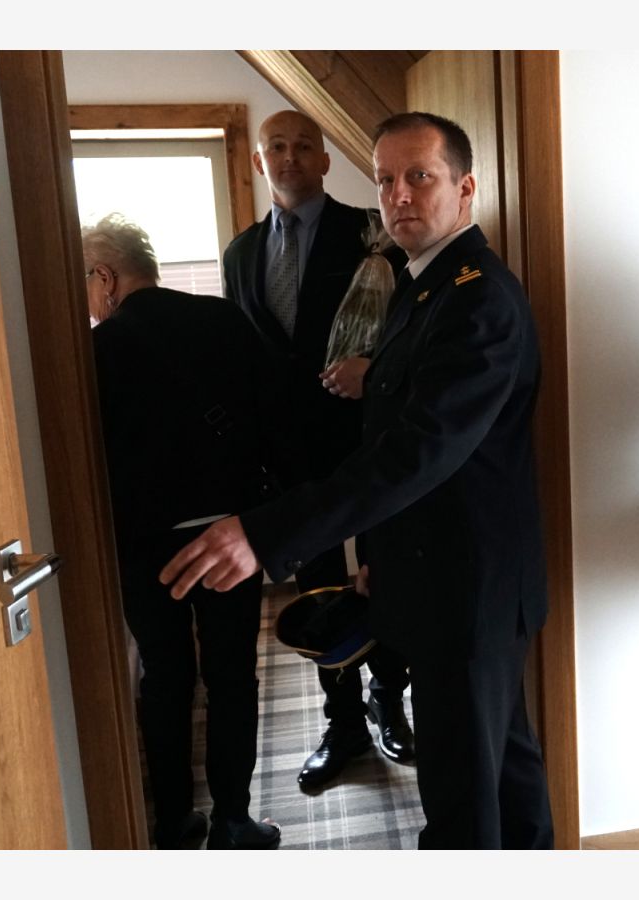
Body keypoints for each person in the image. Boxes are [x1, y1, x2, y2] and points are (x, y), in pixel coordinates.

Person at [160, 111, 554, 850]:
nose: (399, 195)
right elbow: (390, 434)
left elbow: (416, 454)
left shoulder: (478, 300)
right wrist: (379, 555)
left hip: (469, 585)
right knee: (503, 772)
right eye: (385, 179)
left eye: (420, 177)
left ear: (466, 188)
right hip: (434, 570)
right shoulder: (423, 283)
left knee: (465, 794)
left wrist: (267, 533)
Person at [223, 109, 413, 790]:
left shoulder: (371, 232)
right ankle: (344, 723)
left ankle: (390, 700)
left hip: (366, 443)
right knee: (319, 595)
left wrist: (374, 369)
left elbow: (409, 326)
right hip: (288, 460)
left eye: (305, 145)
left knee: (382, 574)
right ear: (259, 161)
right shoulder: (239, 254)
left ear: (326, 159)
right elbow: (245, 355)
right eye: (277, 146)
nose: (290, 156)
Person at [86, 214, 283, 850]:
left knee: (165, 676)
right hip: (230, 534)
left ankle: (172, 821)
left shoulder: (97, 349)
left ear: (105, 277)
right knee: (232, 675)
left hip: (145, 544)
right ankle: (233, 820)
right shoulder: (223, 320)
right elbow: (271, 415)